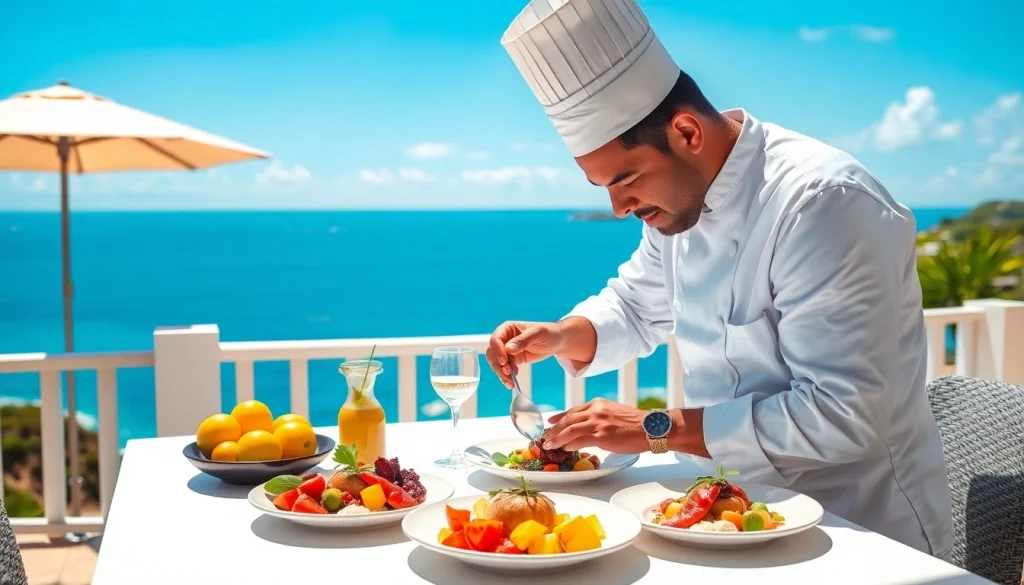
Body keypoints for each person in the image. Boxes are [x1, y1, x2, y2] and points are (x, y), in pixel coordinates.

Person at [487, 0, 954, 561]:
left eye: (626, 179)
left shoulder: (824, 203)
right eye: (602, 187)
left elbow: (843, 417)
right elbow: (637, 305)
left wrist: (655, 426)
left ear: (686, 132)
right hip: (718, 515)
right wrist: (561, 333)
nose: (617, 207)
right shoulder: (677, 202)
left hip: (857, 529)